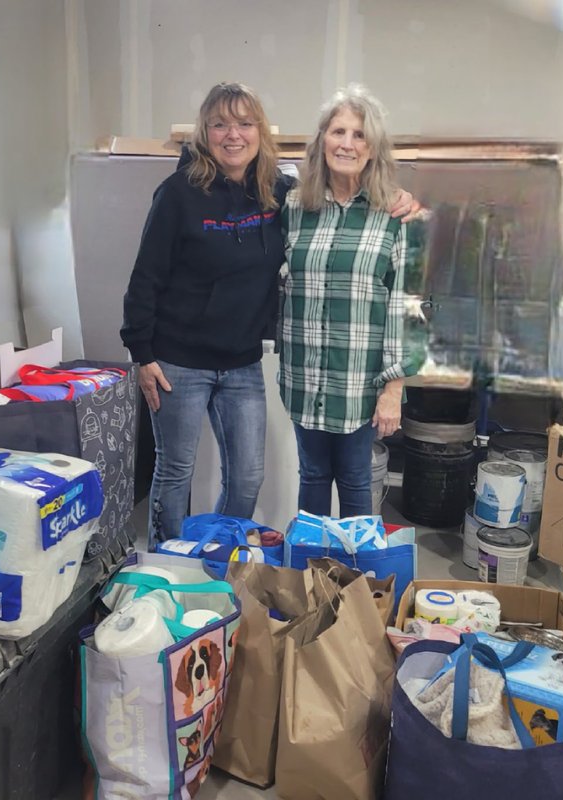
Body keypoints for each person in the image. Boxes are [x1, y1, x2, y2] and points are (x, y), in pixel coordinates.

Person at [121, 83, 416, 546]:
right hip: (179, 360)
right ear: (205, 133)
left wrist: (411, 203)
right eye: (220, 124)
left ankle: (219, 552)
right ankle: (171, 558)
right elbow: (145, 278)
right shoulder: (185, 195)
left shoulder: (278, 192)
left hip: (244, 362)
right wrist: (142, 353)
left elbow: (401, 294)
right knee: (177, 470)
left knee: (249, 478)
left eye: (244, 124)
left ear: (260, 132)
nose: (232, 134)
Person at [279, 85, 415, 518]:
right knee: (312, 476)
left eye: (360, 135)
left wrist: (394, 387)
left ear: (373, 148)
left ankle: (358, 583)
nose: (347, 144)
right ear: (322, 140)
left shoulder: (392, 213)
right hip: (304, 376)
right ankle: (312, 578)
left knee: (356, 479)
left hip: (360, 381)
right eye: (338, 131)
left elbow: (404, 306)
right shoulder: (295, 206)